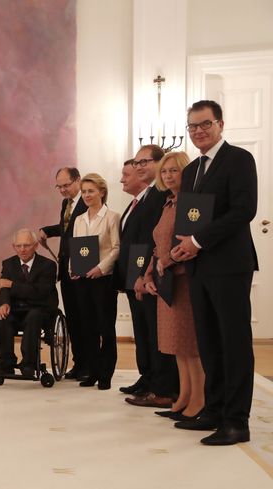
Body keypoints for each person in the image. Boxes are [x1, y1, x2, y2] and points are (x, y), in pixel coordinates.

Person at [171, 100, 258, 445]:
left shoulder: (239, 160)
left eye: (204, 124)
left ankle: (236, 421)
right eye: (192, 127)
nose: (198, 132)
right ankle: (214, 409)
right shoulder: (191, 170)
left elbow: (243, 211)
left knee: (233, 342)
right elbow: (191, 219)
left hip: (230, 265)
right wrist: (182, 246)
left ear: (220, 124)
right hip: (199, 266)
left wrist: (197, 240)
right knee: (208, 340)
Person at [112, 152, 178, 407]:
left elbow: (150, 241)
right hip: (135, 274)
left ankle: (161, 386)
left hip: (148, 275)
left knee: (153, 332)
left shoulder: (160, 196)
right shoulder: (141, 200)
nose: (138, 167)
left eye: (143, 162)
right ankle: (148, 378)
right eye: (135, 163)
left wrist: (142, 275)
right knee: (142, 331)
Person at [143, 151, 205, 421]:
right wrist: (148, 274)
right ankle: (184, 397)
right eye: (165, 172)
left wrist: (164, 263)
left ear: (186, 172)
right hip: (164, 281)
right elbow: (157, 246)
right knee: (177, 346)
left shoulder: (191, 203)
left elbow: (188, 244)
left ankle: (200, 399)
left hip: (182, 281)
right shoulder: (168, 203)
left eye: (174, 171)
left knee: (189, 345)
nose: (168, 176)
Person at [70, 173, 120, 390]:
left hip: (103, 280)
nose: (87, 195)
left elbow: (117, 248)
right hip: (83, 280)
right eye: (84, 192)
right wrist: (73, 268)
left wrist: (101, 268)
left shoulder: (112, 217)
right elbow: (76, 248)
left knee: (105, 327)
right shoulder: (79, 219)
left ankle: (106, 374)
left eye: (91, 191)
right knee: (87, 327)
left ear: (102, 192)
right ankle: (92, 371)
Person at [39, 167, 88, 381]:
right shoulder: (66, 203)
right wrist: (47, 231)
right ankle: (79, 363)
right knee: (74, 318)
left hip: (82, 268)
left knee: (86, 317)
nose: (62, 190)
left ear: (78, 180)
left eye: (66, 185)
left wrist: (82, 267)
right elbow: (65, 228)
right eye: (59, 186)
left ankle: (90, 364)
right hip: (66, 269)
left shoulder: (87, 200)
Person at [0, 229, 58, 378]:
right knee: (1, 318)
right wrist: (3, 303)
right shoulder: (9, 264)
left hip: (40, 309)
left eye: (27, 245)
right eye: (19, 245)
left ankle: (29, 363)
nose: (22, 249)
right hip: (16, 310)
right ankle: (5, 363)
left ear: (35, 246)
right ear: (14, 246)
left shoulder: (48, 266)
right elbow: (4, 288)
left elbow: (40, 293)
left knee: (34, 316)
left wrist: (12, 285)